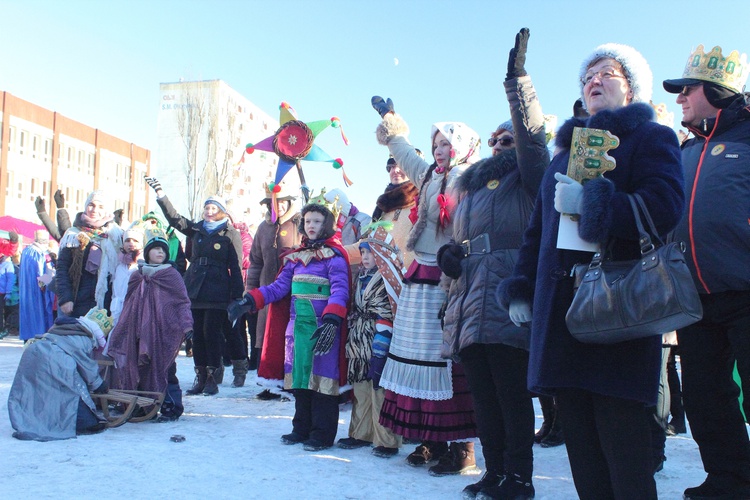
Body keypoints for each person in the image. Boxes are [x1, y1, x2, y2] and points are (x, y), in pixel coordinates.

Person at [499, 43, 684, 499]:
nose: (594, 81)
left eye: (608, 72)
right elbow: (535, 232)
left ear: (632, 87)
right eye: (588, 76)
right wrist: (521, 288)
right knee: (581, 450)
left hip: (617, 309)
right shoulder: (563, 156)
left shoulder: (650, 137)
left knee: (624, 451)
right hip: (562, 315)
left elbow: (665, 206)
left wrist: (596, 204)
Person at [437, 28, 546, 499]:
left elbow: (532, 142)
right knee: (483, 396)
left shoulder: (529, 178)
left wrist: (517, 85)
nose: (502, 144)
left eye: (508, 138)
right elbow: (462, 244)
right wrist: (450, 259)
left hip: (507, 296)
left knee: (511, 394)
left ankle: (520, 476)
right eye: (496, 139)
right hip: (468, 301)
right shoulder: (472, 190)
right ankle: (495, 469)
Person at [371, 96, 479, 476]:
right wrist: (390, 121)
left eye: (446, 143)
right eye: (435, 145)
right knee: (417, 357)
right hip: (422, 273)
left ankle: (464, 447)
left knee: (447, 361)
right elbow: (402, 152)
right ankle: (431, 439)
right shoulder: (429, 176)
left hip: (454, 275)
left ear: (463, 147)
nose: (439, 150)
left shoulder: (475, 177)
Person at [662, 44, 750, 499]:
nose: (680, 98)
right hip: (695, 300)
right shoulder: (685, 151)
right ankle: (729, 481)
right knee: (706, 398)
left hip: (746, 291)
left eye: (687, 89)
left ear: (717, 89)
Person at [237, 192, 350, 451]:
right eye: (308, 221)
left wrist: (332, 320)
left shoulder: (334, 256)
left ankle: (321, 434)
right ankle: (300, 429)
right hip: (296, 328)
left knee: (323, 381)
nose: (311, 225)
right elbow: (277, 289)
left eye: (317, 221)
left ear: (327, 225)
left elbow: (340, 290)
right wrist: (249, 300)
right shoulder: (294, 259)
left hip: (323, 328)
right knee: (300, 380)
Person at [145, 177, 245, 395]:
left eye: (213, 208)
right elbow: (175, 220)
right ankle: (199, 375)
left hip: (218, 290)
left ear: (222, 212)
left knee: (211, 332)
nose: (209, 212)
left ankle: (212, 375)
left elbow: (236, 267)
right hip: (195, 288)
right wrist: (161, 194)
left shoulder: (230, 234)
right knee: (196, 333)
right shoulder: (197, 229)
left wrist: (238, 296)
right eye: (206, 207)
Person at [106, 227, 193, 422]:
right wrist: (124, 327)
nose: (160, 252)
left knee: (165, 369)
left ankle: (171, 406)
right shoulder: (137, 275)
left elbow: (182, 302)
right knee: (140, 368)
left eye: (163, 250)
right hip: (138, 331)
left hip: (164, 331)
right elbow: (129, 303)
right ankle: (141, 405)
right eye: (156, 249)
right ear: (147, 253)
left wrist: (187, 326)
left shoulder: (172, 275)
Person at [8, 308, 112, 441]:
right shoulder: (84, 338)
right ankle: (83, 422)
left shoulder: (62, 329)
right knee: (69, 393)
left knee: (36, 393)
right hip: (55, 360)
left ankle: (32, 419)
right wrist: (99, 384)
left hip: (33, 353)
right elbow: (87, 367)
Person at [337, 240, 401, 457]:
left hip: (379, 336)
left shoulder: (388, 281)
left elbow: (388, 310)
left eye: (370, 253)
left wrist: (381, 345)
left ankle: (386, 440)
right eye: (362, 252)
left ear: (382, 255)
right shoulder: (360, 277)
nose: (364, 257)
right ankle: (360, 433)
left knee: (379, 389)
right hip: (359, 339)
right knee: (361, 387)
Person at [248, 180, 302, 397]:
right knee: (267, 338)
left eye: (282, 202)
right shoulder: (263, 228)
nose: (278, 206)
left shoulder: (299, 224)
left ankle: (290, 382)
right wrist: (250, 290)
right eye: (274, 202)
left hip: (293, 292)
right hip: (267, 291)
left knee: (288, 338)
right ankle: (269, 383)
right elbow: (255, 262)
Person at [55, 190, 123, 318]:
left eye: (101, 207)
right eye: (91, 205)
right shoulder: (72, 235)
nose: (94, 210)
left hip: (107, 304)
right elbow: (62, 269)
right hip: (77, 301)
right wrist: (65, 298)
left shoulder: (117, 235)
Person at [367, 157, 418, 269]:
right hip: (385, 277)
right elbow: (366, 244)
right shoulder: (381, 207)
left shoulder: (422, 201)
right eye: (391, 167)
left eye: (401, 166)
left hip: (414, 278)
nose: (395, 170)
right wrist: (337, 250)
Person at [18, 230, 55, 341]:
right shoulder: (38, 253)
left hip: (25, 290)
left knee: (27, 317)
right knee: (37, 319)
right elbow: (41, 276)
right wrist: (50, 285)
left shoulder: (26, 251)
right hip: (36, 293)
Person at [109, 222, 145, 325]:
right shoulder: (118, 265)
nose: (131, 244)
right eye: (127, 240)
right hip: (116, 311)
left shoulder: (143, 266)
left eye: (135, 241)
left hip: (135, 311)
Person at [0, 232, 19, 340]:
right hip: (9, 292)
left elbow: (9, 250)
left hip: (9, 293)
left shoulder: (8, 265)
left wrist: (14, 241)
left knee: (12, 311)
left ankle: (6, 329)